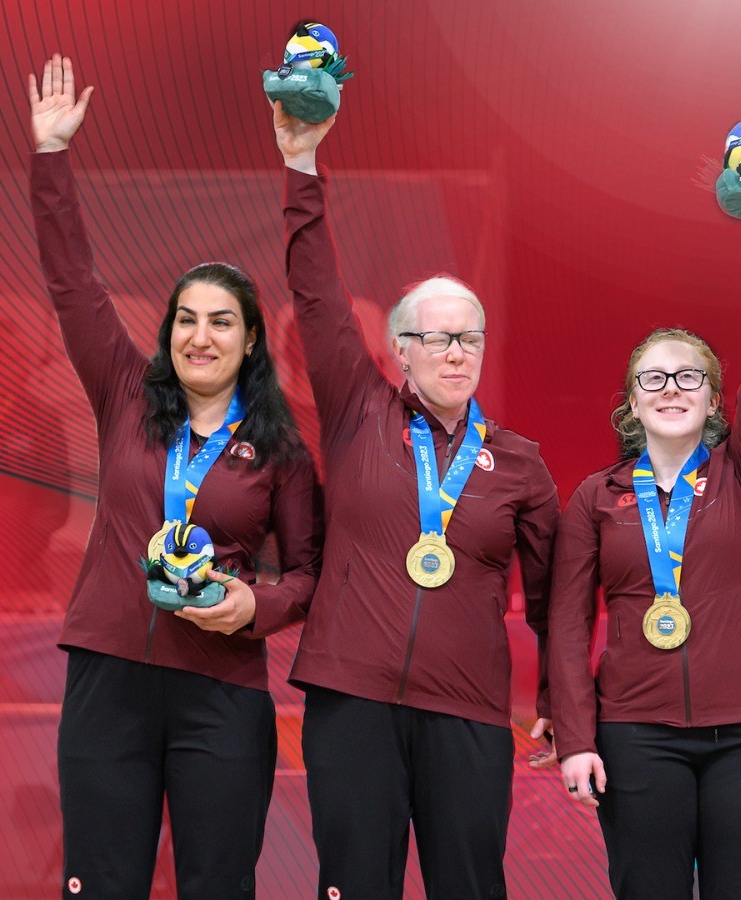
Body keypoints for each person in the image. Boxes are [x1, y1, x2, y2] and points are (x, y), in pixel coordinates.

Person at [27, 55, 321, 898]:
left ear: (251, 340)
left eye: (221, 322)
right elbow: (74, 284)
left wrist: (254, 608)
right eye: (186, 319)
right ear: (167, 331)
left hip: (220, 693)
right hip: (109, 680)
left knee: (218, 886)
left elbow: (307, 575)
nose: (200, 336)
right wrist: (52, 158)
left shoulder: (281, 452)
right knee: (102, 883)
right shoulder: (125, 393)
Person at [273, 100, 559, 898]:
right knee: (354, 885)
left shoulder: (521, 465)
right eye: (438, 337)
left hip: (467, 710)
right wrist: (301, 165)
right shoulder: (358, 411)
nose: (458, 351)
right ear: (400, 351)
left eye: (471, 335)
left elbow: (556, 603)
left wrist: (564, 700)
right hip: (353, 702)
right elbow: (319, 293)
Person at [548, 200, 741, 896]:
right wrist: (575, 737)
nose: (671, 389)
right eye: (652, 378)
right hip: (635, 735)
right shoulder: (595, 498)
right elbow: (568, 626)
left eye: (690, 376)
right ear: (630, 403)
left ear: (716, 402)